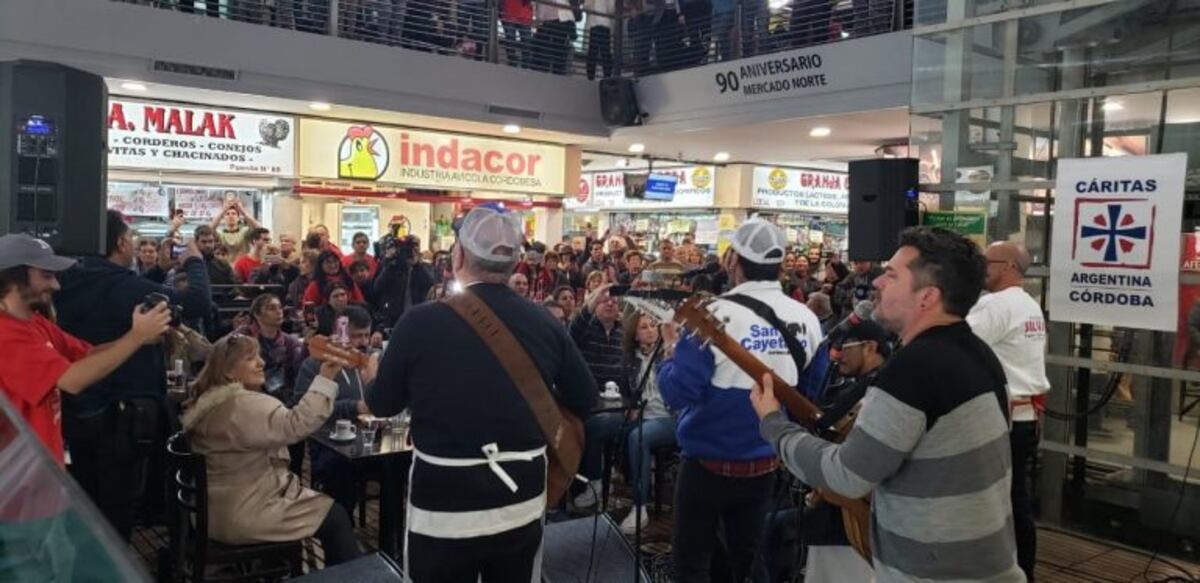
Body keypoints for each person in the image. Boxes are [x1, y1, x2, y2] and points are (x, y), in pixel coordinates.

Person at [750, 226, 1023, 582]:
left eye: (892, 275)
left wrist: (774, 424)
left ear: (926, 297)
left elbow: (847, 476)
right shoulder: (979, 353)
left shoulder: (913, 370)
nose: (877, 283)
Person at [367, 207, 595, 582]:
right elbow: (585, 399)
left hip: (444, 504)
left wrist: (376, 375)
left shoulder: (419, 323)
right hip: (521, 497)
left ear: (458, 257)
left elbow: (381, 404)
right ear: (515, 264)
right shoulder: (545, 323)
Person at [656, 219, 823, 583]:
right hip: (766, 462)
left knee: (691, 562)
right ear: (780, 265)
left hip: (705, 466)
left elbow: (676, 392)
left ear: (733, 260)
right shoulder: (808, 319)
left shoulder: (711, 314)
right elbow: (809, 394)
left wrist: (670, 350)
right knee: (744, 560)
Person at [54, 211, 212, 540]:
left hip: (77, 404)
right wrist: (195, 262)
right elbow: (197, 302)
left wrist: (160, 271)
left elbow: (122, 292)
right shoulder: (122, 284)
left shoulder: (66, 281)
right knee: (117, 505)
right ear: (121, 243)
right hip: (121, 412)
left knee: (86, 496)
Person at [180, 334, 360, 566]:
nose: (261, 362)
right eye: (250, 358)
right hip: (245, 513)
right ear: (228, 372)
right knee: (335, 517)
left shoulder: (210, 403)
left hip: (213, 512)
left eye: (259, 355)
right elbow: (298, 423)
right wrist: (325, 376)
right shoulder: (243, 405)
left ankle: (276, 566)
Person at [0, 234, 172, 464]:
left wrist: (141, 338)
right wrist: (136, 337)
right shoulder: (6, 333)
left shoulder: (33, 321)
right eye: (47, 275)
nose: (56, 285)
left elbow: (88, 354)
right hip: (20, 476)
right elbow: (72, 380)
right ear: (13, 280)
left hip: (41, 468)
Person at [968, 241, 1049, 581]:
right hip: (1025, 417)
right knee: (1016, 499)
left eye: (987, 261)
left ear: (1008, 267)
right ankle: (1022, 571)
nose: (981, 266)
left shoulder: (998, 307)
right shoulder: (1028, 306)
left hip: (1003, 420)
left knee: (994, 502)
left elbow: (954, 342)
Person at [294, 305, 379, 513]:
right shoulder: (313, 365)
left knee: (398, 466)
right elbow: (304, 408)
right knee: (341, 471)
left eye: (367, 335)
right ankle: (342, 529)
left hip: (368, 441)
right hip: (328, 444)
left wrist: (375, 383)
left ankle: (392, 538)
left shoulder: (371, 361)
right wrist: (355, 407)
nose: (364, 342)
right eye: (356, 336)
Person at [618, 313, 677, 534]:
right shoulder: (629, 359)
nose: (651, 330)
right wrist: (629, 406)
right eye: (644, 327)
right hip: (642, 415)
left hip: (670, 418)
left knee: (638, 436)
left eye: (654, 325)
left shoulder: (669, 353)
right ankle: (595, 483)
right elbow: (626, 392)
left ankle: (639, 506)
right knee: (600, 425)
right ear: (634, 334)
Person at [569, 283, 625, 508]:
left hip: (618, 406)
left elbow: (632, 367)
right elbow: (573, 329)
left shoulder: (624, 331)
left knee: (595, 428)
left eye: (614, 300)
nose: (610, 302)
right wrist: (590, 303)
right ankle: (595, 478)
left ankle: (596, 481)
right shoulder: (586, 329)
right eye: (604, 300)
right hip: (588, 402)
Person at [372, 236, 435, 329]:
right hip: (393, 317)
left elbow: (429, 284)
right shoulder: (391, 266)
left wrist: (417, 265)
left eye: (415, 246)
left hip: (417, 313)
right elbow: (378, 288)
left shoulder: (424, 267)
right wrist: (389, 262)